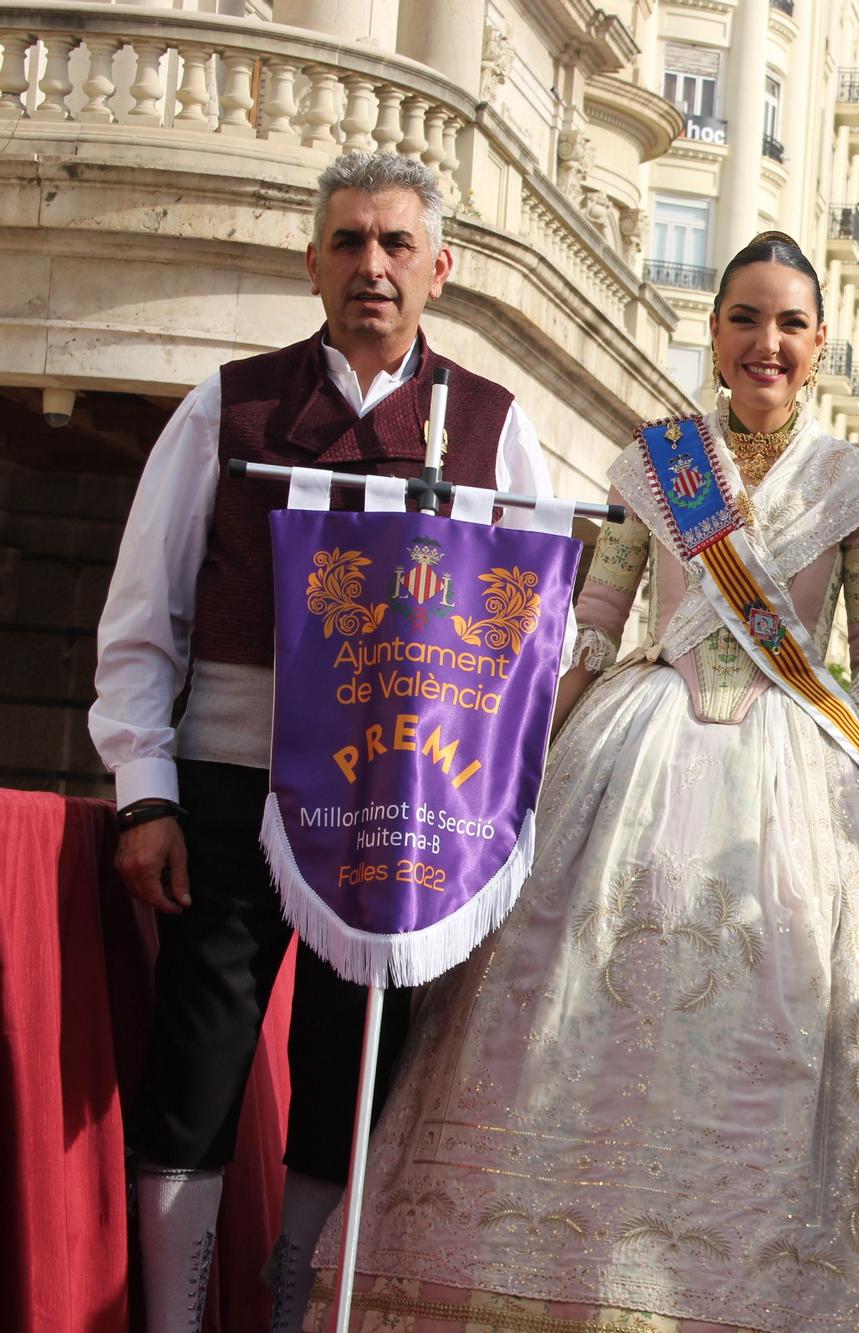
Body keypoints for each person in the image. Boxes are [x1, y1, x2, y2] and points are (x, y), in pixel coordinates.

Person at [306, 231, 859, 1332]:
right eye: (745, 318)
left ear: (821, 343)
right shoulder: (654, 461)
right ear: (712, 333)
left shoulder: (853, 479)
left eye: (790, 324)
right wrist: (509, 791)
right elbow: (590, 632)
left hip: (793, 781)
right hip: (631, 756)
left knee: (761, 1042)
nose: (766, 343)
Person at [89, 151, 552, 1333]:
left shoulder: (496, 430)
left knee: (356, 1072)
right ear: (311, 262)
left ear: (440, 269)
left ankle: (299, 1294)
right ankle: (173, 1317)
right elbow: (146, 619)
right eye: (348, 242)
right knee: (195, 1069)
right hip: (232, 790)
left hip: (395, 809)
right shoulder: (226, 408)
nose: (372, 267)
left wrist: (486, 830)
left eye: (397, 245)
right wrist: (147, 793)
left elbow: (525, 657)